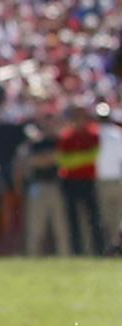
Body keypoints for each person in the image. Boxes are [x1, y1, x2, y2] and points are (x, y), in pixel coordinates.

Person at [56, 104, 103, 254]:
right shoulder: (66, 136)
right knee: (73, 220)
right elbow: (63, 161)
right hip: (71, 182)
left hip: (88, 181)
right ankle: (77, 251)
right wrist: (83, 158)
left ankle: (98, 250)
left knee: (94, 218)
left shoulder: (94, 134)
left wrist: (75, 160)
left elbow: (94, 156)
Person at [14, 120, 64, 257]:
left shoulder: (59, 141)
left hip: (56, 186)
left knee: (61, 226)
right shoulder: (35, 144)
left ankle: (65, 255)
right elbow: (30, 162)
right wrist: (50, 158)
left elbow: (60, 158)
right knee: (35, 227)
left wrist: (46, 159)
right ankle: (32, 256)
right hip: (38, 186)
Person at [96, 101, 122, 253]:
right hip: (116, 180)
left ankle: (110, 247)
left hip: (102, 181)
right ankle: (113, 246)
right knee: (116, 217)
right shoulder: (117, 134)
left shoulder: (95, 134)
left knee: (105, 217)